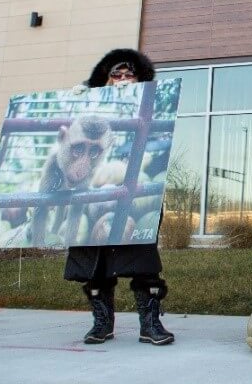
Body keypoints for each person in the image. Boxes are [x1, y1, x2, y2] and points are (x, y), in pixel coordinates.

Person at [66, 49, 174, 346]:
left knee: (142, 258)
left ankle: (150, 324)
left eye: (130, 75)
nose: (123, 80)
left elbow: (159, 146)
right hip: (94, 194)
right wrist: (79, 100)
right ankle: (102, 324)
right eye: (117, 75)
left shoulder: (154, 105)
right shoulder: (87, 108)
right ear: (106, 78)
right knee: (95, 262)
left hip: (136, 193)